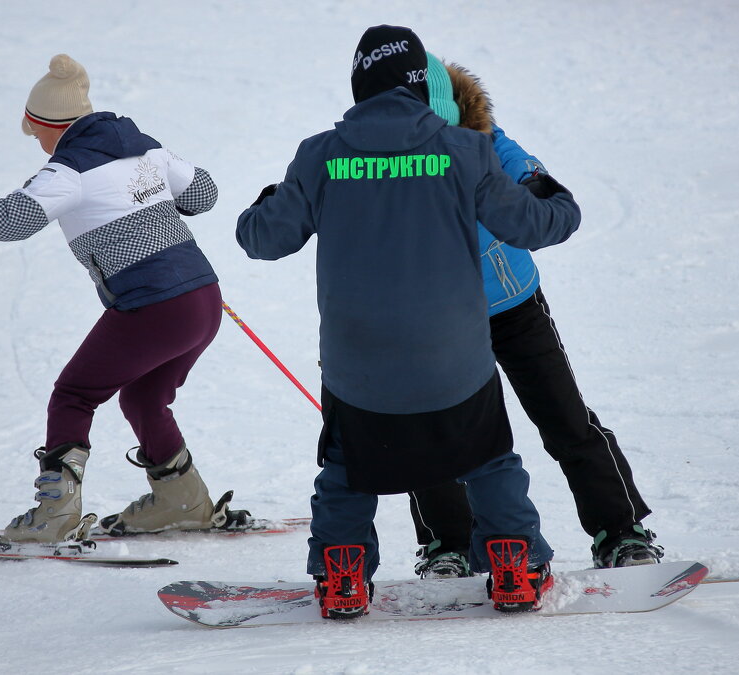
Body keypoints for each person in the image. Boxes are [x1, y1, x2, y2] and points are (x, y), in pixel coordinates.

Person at [235, 25, 581, 617]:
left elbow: (260, 237)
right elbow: (542, 223)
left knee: (348, 465)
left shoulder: (320, 155)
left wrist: (279, 194)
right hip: (453, 356)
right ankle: (514, 564)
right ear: (422, 83)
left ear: (359, 84)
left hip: (358, 363)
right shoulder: (464, 151)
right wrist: (549, 189)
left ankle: (343, 574)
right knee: (488, 456)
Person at [0, 53, 227, 544]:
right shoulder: (146, 149)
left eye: (36, 133)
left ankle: (55, 515)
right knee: (144, 394)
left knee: (74, 395)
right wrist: (159, 197)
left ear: (49, 125)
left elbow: (8, 222)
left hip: (152, 306)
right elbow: (205, 194)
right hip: (203, 300)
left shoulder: (67, 170)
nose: (38, 145)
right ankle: (182, 500)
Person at [408, 54, 662, 578]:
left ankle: (620, 530)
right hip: (434, 317)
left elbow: (527, 170)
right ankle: (447, 545)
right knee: (435, 432)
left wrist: (535, 191)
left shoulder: (484, 139)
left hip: (512, 305)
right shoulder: (388, 154)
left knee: (565, 418)